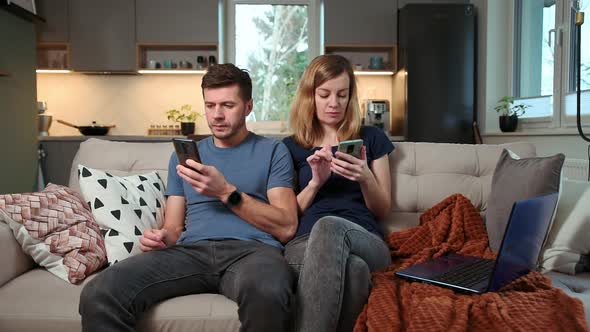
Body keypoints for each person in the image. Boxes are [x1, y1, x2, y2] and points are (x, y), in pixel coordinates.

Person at [79, 64, 299, 332]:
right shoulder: (184, 156)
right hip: (191, 252)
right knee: (99, 293)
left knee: (268, 291)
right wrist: (161, 237)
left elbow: (287, 226)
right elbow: (173, 228)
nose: (216, 115)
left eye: (228, 105)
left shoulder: (273, 151)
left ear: (248, 106)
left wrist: (225, 192)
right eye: (210, 105)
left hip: (253, 253)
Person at [282, 54, 394, 332]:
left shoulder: (371, 138)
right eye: (325, 94)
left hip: (365, 239)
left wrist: (365, 177)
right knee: (355, 273)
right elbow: (286, 216)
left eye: (342, 95)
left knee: (331, 226)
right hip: (304, 243)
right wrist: (315, 183)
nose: (334, 103)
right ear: (310, 96)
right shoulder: (290, 146)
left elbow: (383, 210)